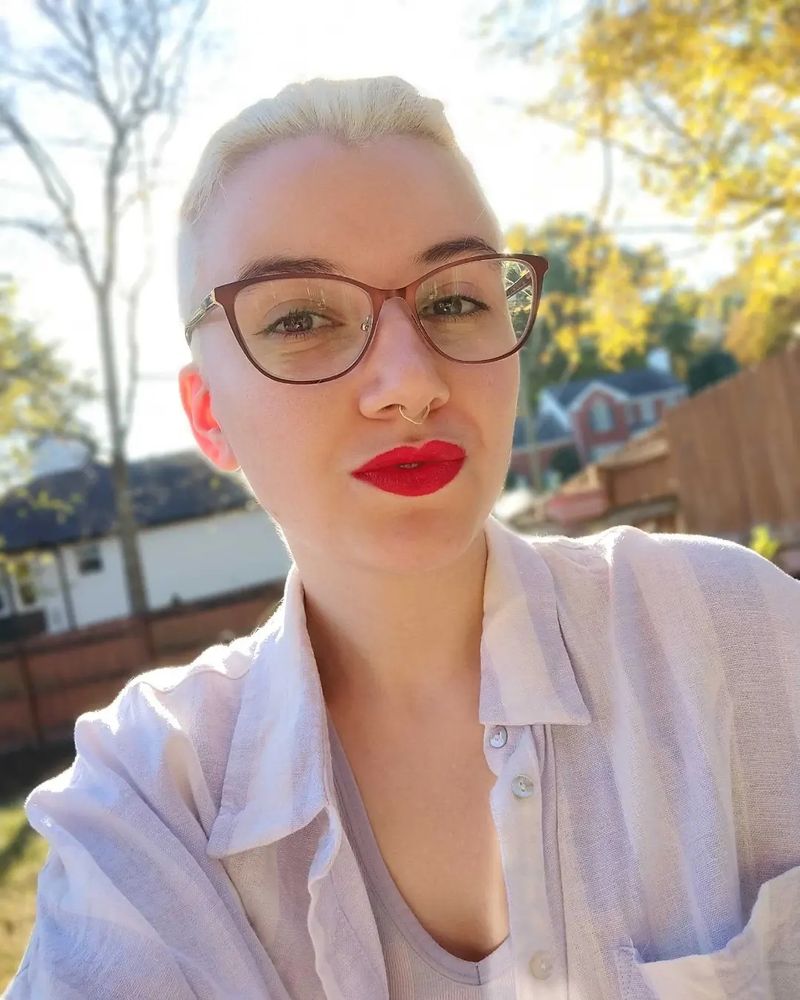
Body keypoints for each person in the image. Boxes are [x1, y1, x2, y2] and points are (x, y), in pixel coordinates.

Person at [4, 76, 799, 1000]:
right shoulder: (150, 802)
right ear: (208, 413)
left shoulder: (735, 638)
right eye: (299, 318)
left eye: (455, 300)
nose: (408, 382)